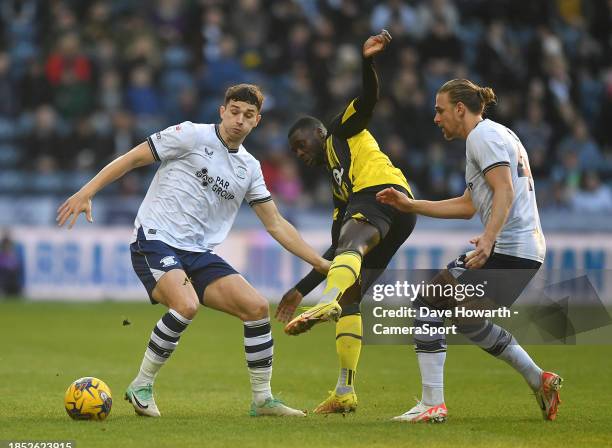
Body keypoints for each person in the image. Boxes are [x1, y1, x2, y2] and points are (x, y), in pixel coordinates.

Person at [57, 84, 330, 418]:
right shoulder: (189, 135)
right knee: (186, 304)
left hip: (198, 252)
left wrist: (319, 261)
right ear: (222, 110)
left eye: (247, 116)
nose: (239, 121)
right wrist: (87, 191)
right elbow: (132, 159)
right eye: (234, 112)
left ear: (256, 121)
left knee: (257, 307)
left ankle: (262, 400)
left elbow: (275, 223)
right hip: (156, 239)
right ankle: (142, 385)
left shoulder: (249, 168)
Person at [377, 78, 562, 422]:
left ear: (460, 109)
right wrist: (411, 205)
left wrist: (490, 238)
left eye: (440, 110)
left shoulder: (482, 137)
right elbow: (467, 205)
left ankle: (432, 404)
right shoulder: (495, 134)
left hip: (511, 249)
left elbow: (504, 189)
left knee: (428, 302)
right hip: (518, 248)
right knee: (467, 318)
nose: (436, 118)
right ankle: (540, 379)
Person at [276, 30, 417, 414]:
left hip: (383, 192)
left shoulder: (340, 129)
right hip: (397, 215)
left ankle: (326, 303)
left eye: (300, 145)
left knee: (349, 253)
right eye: (294, 151)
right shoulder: (340, 188)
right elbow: (336, 252)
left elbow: (369, 100)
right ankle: (344, 390)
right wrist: (299, 289)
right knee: (351, 294)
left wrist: (367, 61)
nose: (299, 154)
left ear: (318, 133)